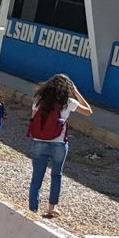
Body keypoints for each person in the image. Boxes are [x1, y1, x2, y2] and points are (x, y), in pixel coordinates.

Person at [27, 73, 91, 218]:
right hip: (59, 144)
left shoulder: (38, 99)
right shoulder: (68, 102)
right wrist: (76, 92)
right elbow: (88, 111)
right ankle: (52, 208)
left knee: (37, 176)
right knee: (56, 175)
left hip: (38, 142)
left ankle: (32, 210)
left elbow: (33, 118)